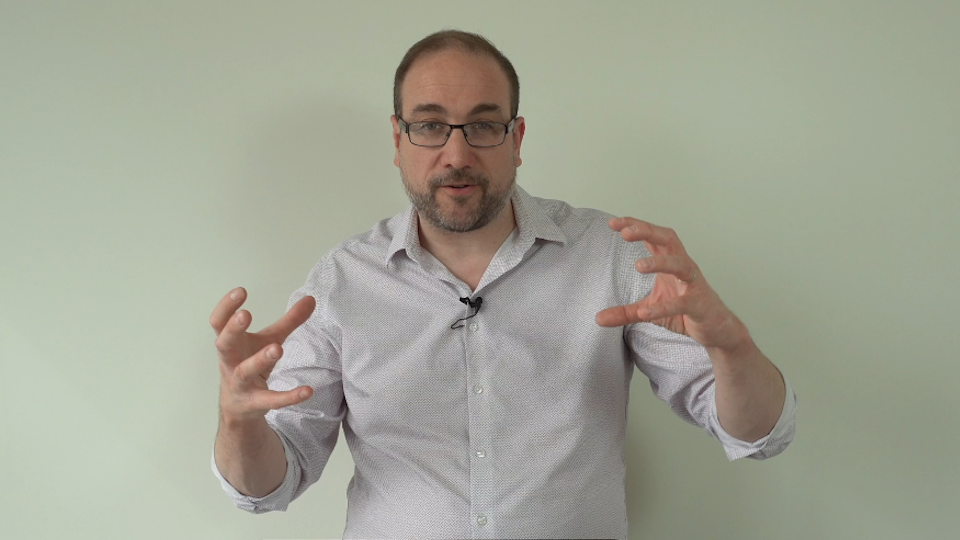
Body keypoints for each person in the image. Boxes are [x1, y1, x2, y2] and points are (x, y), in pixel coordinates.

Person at [211, 30, 796, 539]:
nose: (457, 153)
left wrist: (733, 347)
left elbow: (758, 435)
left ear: (516, 139)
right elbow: (267, 486)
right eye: (430, 126)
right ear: (397, 139)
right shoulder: (341, 280)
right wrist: (238, 419)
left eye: (484, 125)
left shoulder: (613, 256)